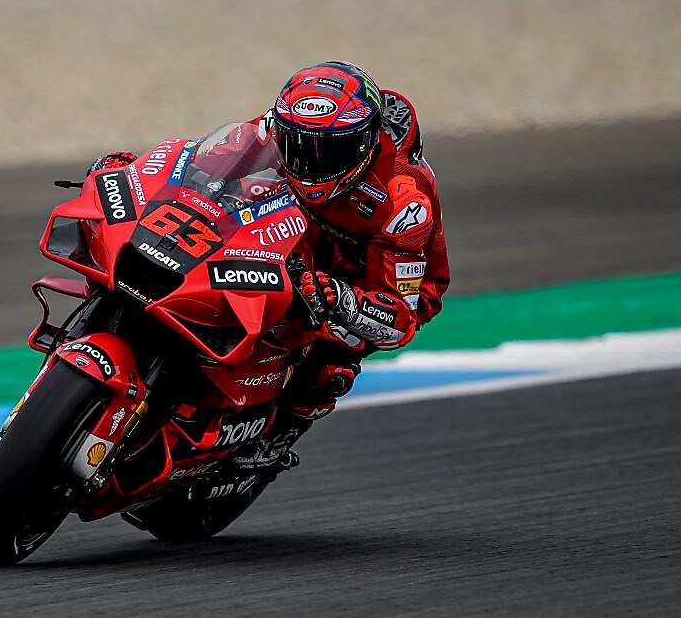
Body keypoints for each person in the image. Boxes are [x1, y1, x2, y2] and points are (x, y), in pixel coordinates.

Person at [87, 61, 450, 469]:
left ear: (365, 142)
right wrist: (136, 174)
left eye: (329, 150)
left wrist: (342, 299)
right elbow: (202, 161)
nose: (309, 162)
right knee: (222, 203)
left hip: (369, 276)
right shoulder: (278, 127)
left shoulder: (405, 200)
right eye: (297, 145)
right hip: (298, 222)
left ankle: (279, 434)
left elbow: (399, 317)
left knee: (333, 359)